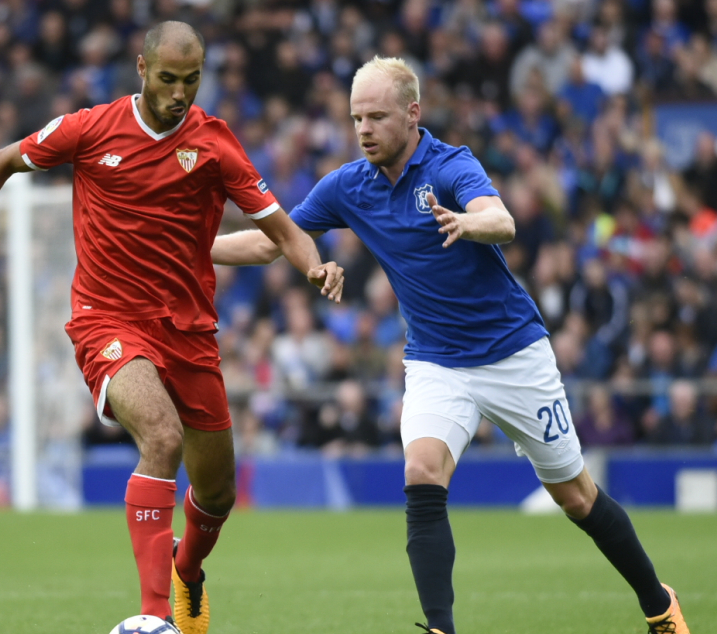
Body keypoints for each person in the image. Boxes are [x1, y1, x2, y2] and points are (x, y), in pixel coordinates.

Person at [210, 56, 690, 634]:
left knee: (577, 498)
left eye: (377, 117)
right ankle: (441, 628)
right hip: (436, 361)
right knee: (421, 470)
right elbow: (270, 244)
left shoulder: (450, 165)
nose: (364, 129)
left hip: (514, 354)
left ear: (413, 114)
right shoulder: (347, 186)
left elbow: (503, 219)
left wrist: (466, 223)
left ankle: (658, 605)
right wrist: (189, 246)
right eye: (356, 117)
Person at [0, 21, 343, 634]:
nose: (179, 93)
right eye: (168, 79)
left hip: (189, 333)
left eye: (191, 81)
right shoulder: (89, 128)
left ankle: (186, 572)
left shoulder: (215, 145)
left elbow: (278, 227)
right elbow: (4, 160)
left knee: (216, 494)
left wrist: (315, 265)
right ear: (141, 70)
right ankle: (153, 617)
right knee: (160, 439)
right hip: (106, 320)